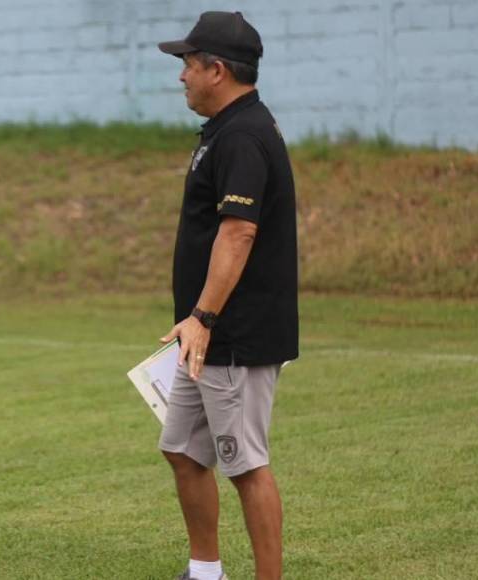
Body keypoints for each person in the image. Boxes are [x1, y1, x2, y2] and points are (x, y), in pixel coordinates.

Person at [155, 11, 298, 580]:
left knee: (246, 466)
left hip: (233, 334)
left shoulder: (243, 135)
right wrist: (195, 322)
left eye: (188, 65)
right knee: (184, 452)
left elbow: (239, 232)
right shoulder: (226, 128)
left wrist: (205, 315)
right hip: (204, 334)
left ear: (217, 69)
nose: (182, 77)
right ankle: (205, 572)